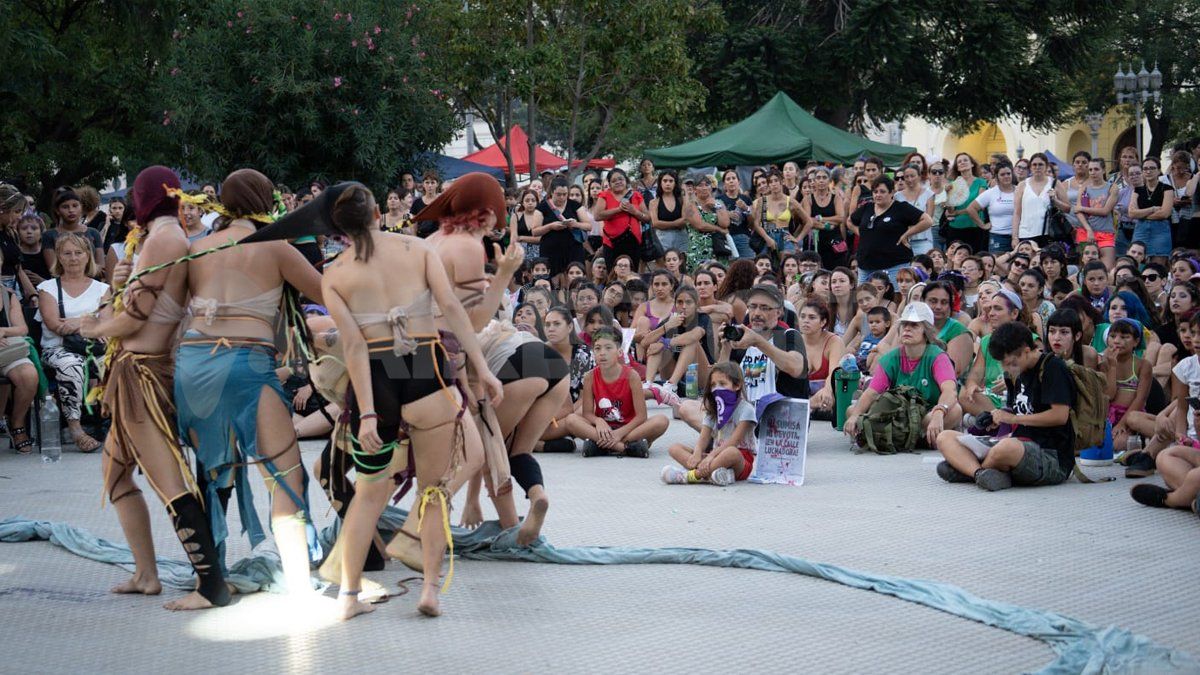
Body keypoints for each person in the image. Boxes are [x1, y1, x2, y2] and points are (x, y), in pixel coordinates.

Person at [80, 166, 231, 610]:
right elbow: (134, 304)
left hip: (142, 373)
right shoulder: (159, 237)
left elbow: (134, 318)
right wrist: (118, 285)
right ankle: (146, 575)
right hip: (135, 370)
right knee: (116, 475)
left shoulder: (164, 237)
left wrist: (92, 327)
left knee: (168, 479)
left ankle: (211, 584)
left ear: (144, 197)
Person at [173, 169, 324, 599]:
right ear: (266, 202)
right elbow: (328, 293)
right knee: (284, 474)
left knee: (213, 474)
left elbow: (171, 311)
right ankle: (298, 581)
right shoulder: (274, 246)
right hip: (245, 363)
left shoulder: (195, 248)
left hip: (194, 363)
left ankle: (210, 584)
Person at [935, 321, 1076, 491]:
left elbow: (1060, 416)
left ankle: (969, 470)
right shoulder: (1014, 373)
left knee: (1006, 448)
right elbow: (1015, 412)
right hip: (1016, 442)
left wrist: (1014, 418)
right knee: (945, 437)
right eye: (1003, 363)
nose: (1006, 368)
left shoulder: (1053, 367)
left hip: (1050, 455)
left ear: (1026, 351)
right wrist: (998, 417)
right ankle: (981, 473)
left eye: (1011, 363)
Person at [844, 302, 961, 447]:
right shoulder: (891, 358)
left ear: (926, 331)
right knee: (851, 411)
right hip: (898, 415)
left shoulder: (938, 357)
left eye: (914, 325)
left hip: (928, 413)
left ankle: (895, 436)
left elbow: (950, 390)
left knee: (955, 410)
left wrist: (939, 412)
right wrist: (855, 416)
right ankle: (915, 438)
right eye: (904, 324)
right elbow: (871, 392)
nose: (907, 329)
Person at [37, 232, 109, 452]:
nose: (73, 258)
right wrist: (91, 322)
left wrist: (78, 321)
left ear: (88, 256)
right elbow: (54, 324)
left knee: (124, 361)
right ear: (59, 257)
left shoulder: (101, 289)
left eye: (78, 253)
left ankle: (123, 425)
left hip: (96, 348)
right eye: (67, 253)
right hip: (57, 349)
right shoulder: (48, 288)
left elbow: (106, 323)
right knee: (72, 365)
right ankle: (76, 428)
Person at [579, 326, 669, 457]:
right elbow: (587, 413)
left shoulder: (632, 376)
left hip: (629, 428)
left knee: (662, 421)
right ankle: (625, 448)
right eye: (597, 348)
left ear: (620, 352)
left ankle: (602, 446)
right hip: (602, 429)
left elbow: (641, 416)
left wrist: (619, 434)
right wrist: (599, 421)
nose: (602, 353)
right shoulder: (589, 377)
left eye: (608, 348)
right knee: (571, 420)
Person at [662, 362, 756, 486]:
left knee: (732, 452)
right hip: (715, 455)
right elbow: (704, 438)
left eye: (722, 384)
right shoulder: (713, 409)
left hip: (740, 460)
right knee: (674, 448)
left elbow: (733, 442)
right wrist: (697, 454)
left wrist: (711, 457)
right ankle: (715, 475)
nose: (717, 388)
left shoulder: (746, 409)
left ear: (737, 385)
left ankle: (689, 476)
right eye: (713, 385)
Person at [849, 175, 932, 283]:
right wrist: (861, 233)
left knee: (896, 296)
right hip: (866, 265)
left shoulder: (901, 208)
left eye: (882, 191)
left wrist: (906, 234)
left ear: (892, 192)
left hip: (894, 265)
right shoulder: (867, 207)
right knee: (865, 296)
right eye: (875, 191)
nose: (878, 195)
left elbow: (927, 221)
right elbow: (849, 221)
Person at [643, 286, 713, 394]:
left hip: (701, 378)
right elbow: (645, 342)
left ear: (696, 304)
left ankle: (671, 384)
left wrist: (665, 343)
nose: (684, 306)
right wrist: (666, 326)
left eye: (689, 302)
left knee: (691, 343)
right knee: (656, 342)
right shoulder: (671, 321)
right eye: (680, 302)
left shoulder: (703, 318)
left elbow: (694, 335)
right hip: (675, 374)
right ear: (675, 304)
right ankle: (648, 384)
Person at [593, 168, 648, 270]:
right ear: (609, 184)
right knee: (613, 273)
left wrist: (635, 212)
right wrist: (618, 209)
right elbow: (597, 216)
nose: (618, 182)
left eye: (620, 179)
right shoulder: (604, 195)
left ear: (626, 180)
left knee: (632, 272)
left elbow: (647, 217)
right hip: (611, 243)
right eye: (614, 181)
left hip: (633, 241)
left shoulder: (636, 195)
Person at [534, 177, 590, 278]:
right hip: (550, 251)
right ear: (552, 192)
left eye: (565, 194)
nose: (562, 197)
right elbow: (535, 231)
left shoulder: (574, 205)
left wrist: (575, 224)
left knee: (575, 280)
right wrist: (551, 226)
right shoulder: (542, 207)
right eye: (558, 194)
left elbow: (588, 226)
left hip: (573, 249)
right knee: (551, 280)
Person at [798, 299, 843, 415]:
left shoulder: (834, 341)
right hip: (800, 396)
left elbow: (834, 373)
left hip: (825, 395)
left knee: (828, 397)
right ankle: (808, 406)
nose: (805, 321)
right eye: (802, 316)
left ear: (823, 322)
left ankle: (807, 406)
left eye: (812, 317)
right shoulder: (793, 340)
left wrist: (828, 390)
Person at [44, 187, 104, 273]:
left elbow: (101, 267)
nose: (71, 210)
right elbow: (54, 270)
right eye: (65, 207)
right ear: (57, 210)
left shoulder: (93, 233)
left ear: (81, 207)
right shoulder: (49, 235)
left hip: (93, 283)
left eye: (75, 206)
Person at [801, 166, 851, 266]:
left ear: (829, 180)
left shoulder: (836, 198)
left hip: (834, 242)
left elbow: (841, 218)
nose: (821, 180)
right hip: (814, 241)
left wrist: (820, 218)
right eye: (818, 178)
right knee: (812, 270)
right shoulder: (808, 199)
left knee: (836, 269)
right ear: (814, 181)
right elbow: (808, 221)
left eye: (824, 177)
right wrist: (827, 225)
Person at [1129, 157, 1174, 265]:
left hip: (1160, 230)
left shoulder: (1167, 189)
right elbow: (1131, 213)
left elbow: (1165, 213)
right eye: (1145, 169)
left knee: (1157, 266)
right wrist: (1152, 209)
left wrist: (1141, 214)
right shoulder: (1138, 190)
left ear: (1158, 170)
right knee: (1135, 262)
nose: (1148, 171)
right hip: (1141, 229)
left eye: (1152, 168)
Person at [1075, 158, 1120, 267]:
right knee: (1085, 269)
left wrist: (1083, 208)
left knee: (1107, 269)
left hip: (1105, 232)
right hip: (1085, 232)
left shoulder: (1112, 188)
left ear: (1103, 170)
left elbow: (1105, 211)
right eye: (1090, 170)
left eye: (1096, 169)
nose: (1093, 172)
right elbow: (1078, 212)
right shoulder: (1084, 188)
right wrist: (1088, 229)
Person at [943, 153, 990, 254]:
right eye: (959, 161)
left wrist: (958, 212)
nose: (962, 162)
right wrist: (947, 195)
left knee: (975, 259)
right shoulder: (953, 184)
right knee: (955, 258)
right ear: (957, 167)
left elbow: (980, 206)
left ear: (972, 164)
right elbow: (951, 211)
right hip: (956, 228)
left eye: (965, 160)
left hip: (975, 227)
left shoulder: (981, 182)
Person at [967, 161, 1017, 254]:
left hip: (1017, 237)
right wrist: (982, 225)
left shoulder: (1019, 190)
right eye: (1002, 174)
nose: (1006, 176)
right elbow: (971, 208)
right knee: (997, 266)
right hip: (998, 237)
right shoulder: (991, 192)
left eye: (1008, 173)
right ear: (997, 176)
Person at [649, 170, 689, 255]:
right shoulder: (654, 202)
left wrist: (685, 194)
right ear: (660, 183)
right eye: (665, 181)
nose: (668, 184)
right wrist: (675, 223)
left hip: (681, 235)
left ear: (675, 183)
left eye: (671, 181)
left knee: (683, 263)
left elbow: (685, 220)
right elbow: (655, 223)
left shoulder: (681, 199)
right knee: (665, 264)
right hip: (662, 237)